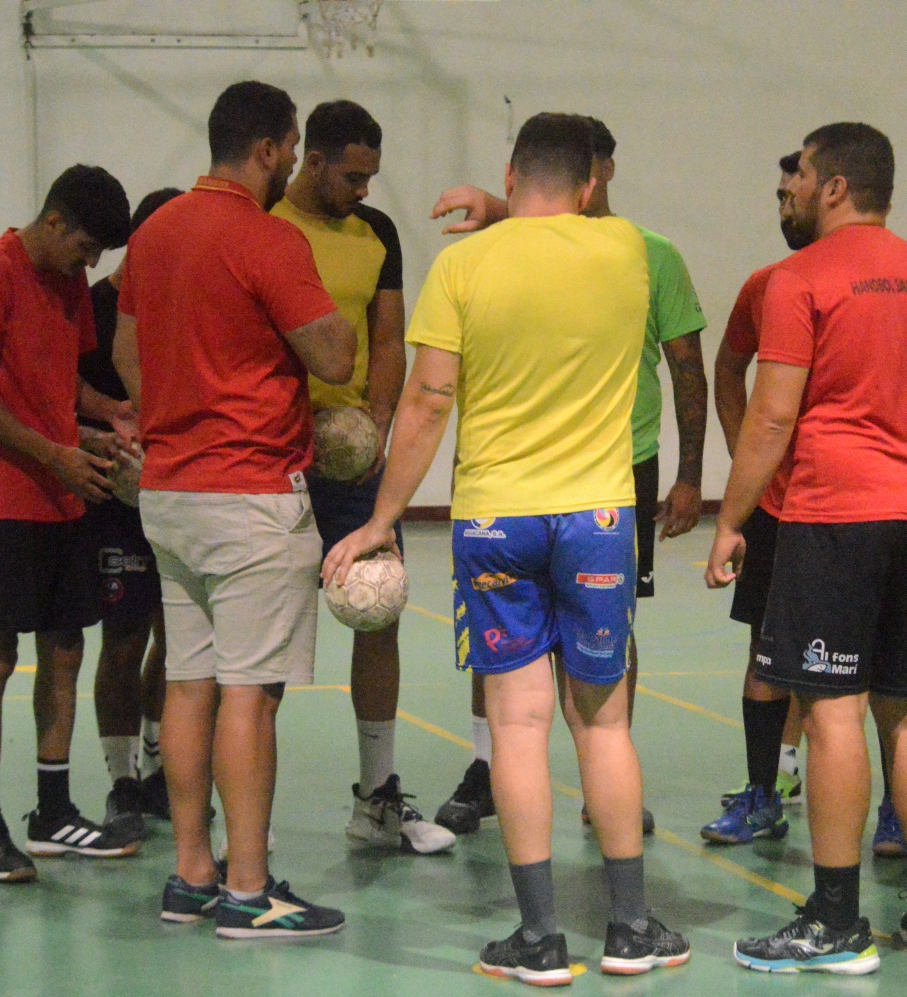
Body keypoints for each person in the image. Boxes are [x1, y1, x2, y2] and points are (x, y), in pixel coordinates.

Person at [325, 112, 690, 984]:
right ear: (594, 183)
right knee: (603, 722)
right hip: (600, 517)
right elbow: (590, 235)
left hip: (495, 520)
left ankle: (538, 940)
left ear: (510, 171)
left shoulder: (462, 265)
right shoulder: (635, 253)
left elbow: (424, 402)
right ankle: (631, 927)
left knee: (517, 726)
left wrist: (380, 518)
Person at [706, 123, 907, 973]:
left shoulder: (801, 278)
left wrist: (732, 519)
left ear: (834, 186)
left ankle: (835, 920)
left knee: (830, 711)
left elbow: (774, 416)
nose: (797, 185)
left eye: (805, 173)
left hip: (833, 515)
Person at [113, 80, 358, 939]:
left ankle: (192, 873)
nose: (292, 162)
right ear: (267, 149)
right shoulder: (270, 238)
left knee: (189, 683)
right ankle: (250, 892)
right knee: (249, 697)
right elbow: (333, 350)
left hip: (170, 490)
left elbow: (123, 351)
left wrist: (179, 411)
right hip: (251, 494)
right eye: (290, 149)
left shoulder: (154, 234)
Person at [428, 117, 709, 840]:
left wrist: (689, 475)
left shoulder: (651, 254)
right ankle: (489, 765)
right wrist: (504, 211)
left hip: (619, 465)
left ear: (603, 173)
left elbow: (687, 367)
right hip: (557, 485)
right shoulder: (619, 249)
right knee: (508, 653)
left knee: (606, 635)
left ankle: (594, 773)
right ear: (588, 183)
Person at [0, 164, 141, 883]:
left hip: (64, 493)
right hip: (0, 497)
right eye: (85, 248)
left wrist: (101, 419)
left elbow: (58, 383)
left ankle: (53, 810)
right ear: (54, 221)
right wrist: (53, 452)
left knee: (65, 649)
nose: (88, 266)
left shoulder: (66, 287)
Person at [272, 100, 454, 855]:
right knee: (263, 638)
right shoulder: (265, 226)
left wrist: (376, 425)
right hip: (273, 452)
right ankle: (242, 818)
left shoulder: (375, 234)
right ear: (311, 162)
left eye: (372, 176)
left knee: (378, 609)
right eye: (352, 176)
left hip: (349, 460)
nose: (364, 191)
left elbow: (388, 336)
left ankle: (377, 797)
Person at [83, 187, 185, 839]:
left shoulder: (180, 304)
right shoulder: (92, 308)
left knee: (177, 642)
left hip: (178, 496)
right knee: (123, 641)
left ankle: (158, 770)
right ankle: (121, 781)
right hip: (113, 505)